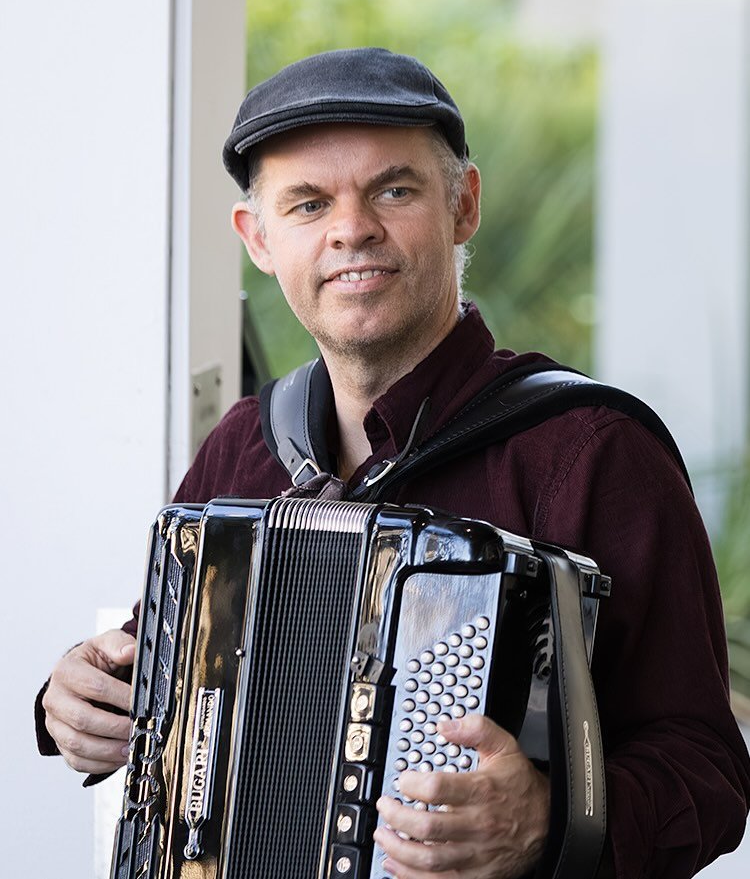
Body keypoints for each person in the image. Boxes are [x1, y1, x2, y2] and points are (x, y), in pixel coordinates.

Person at [37, 48, 750, 878]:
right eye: (308, 203)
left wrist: (546, 823)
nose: (351, 229)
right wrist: (75, 703)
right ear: (259, 239)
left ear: (464, 205)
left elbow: (708, 769)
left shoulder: (590, 448)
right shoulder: (244, 443)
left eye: (394, 189)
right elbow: (160, 674)